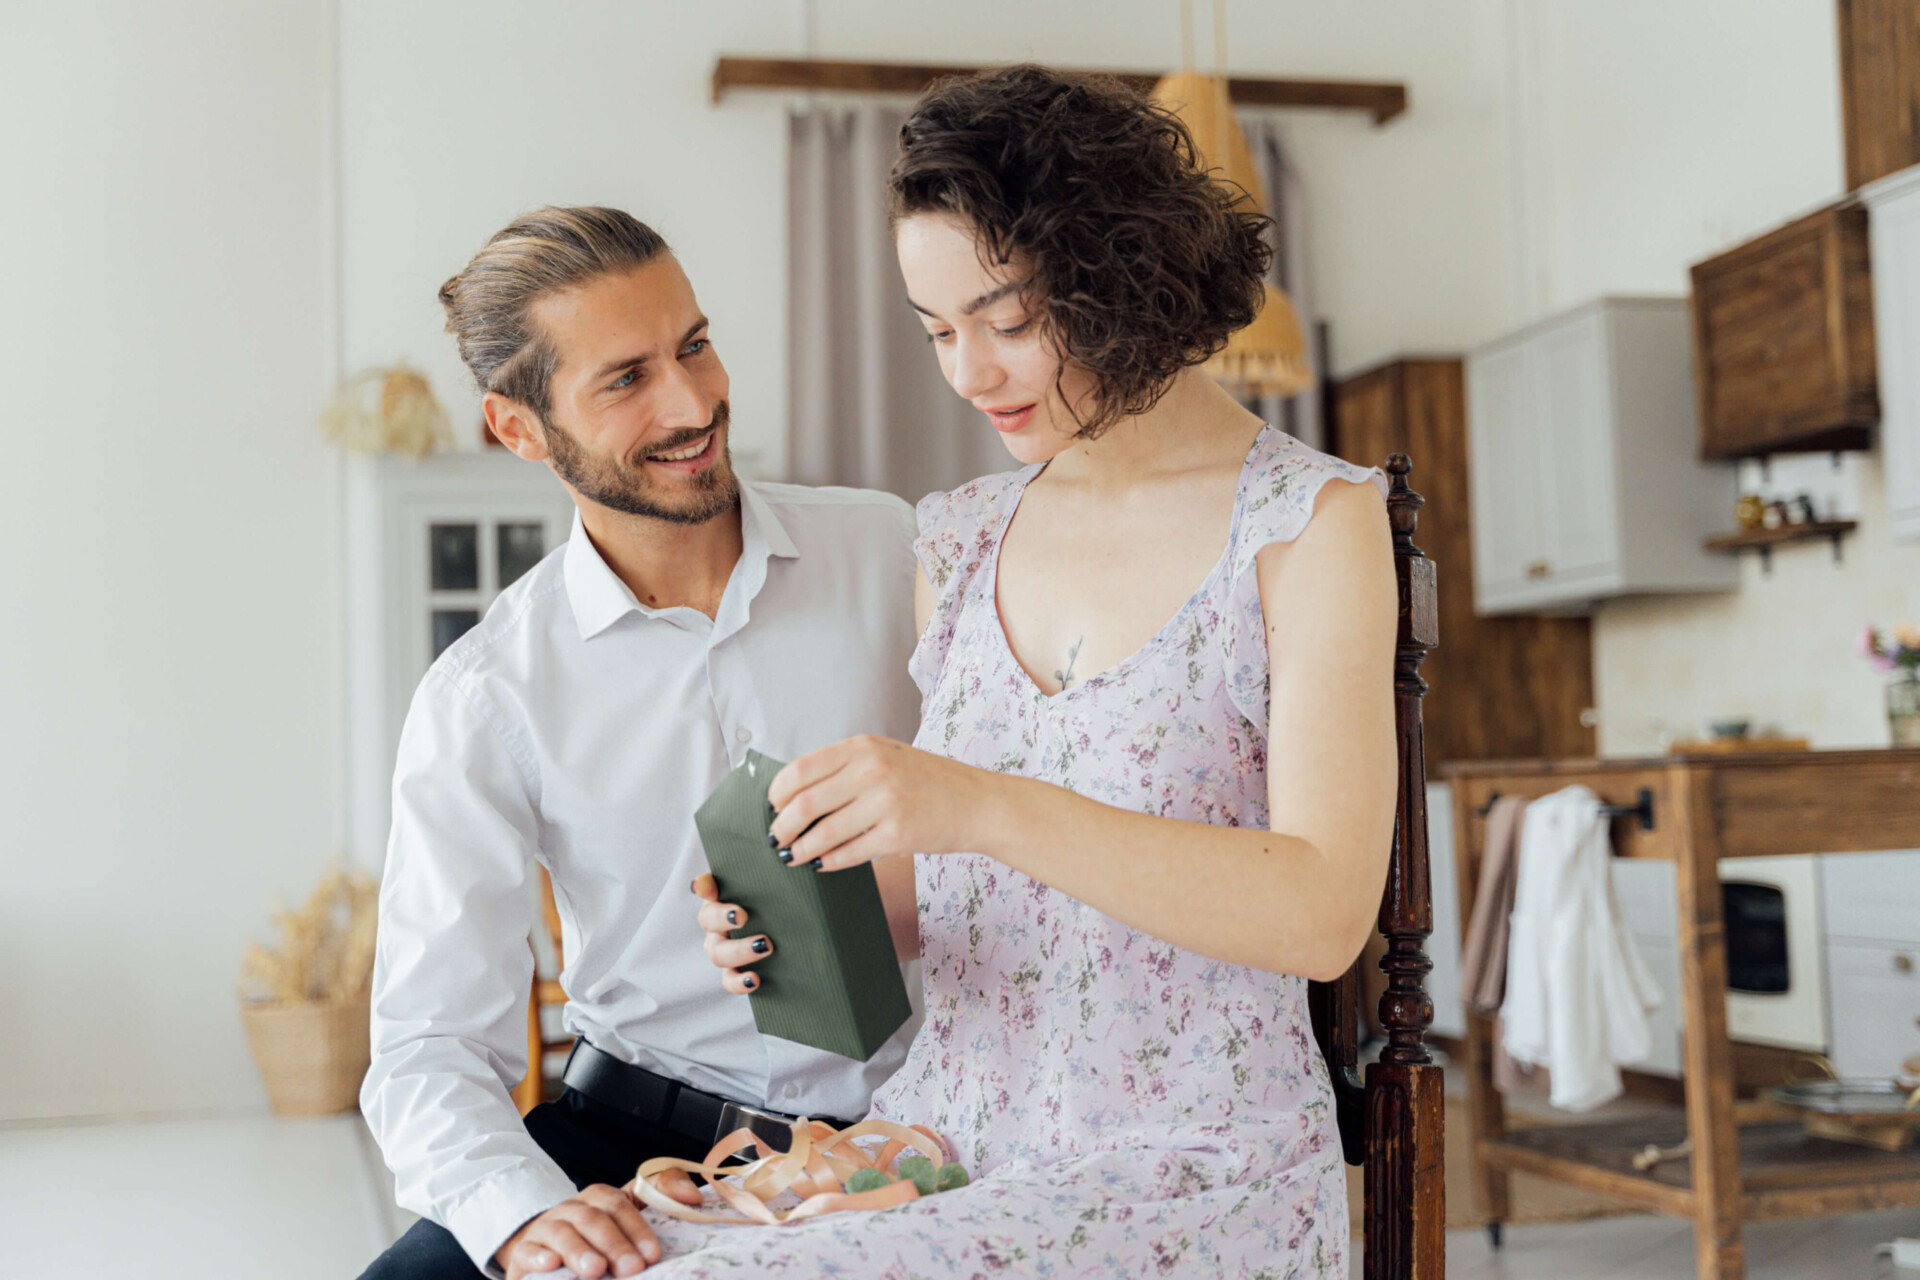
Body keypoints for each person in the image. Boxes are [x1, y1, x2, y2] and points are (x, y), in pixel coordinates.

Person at [666, 66, 1400, 1278]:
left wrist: (979, 802)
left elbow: (1321, 913)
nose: (968, 373)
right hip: (946, 1143)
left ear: (1125, 276)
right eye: (939, 331)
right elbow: (967, 894)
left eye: (1007, 322)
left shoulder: (1308, 524)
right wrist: (806, 908)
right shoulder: (957, 539)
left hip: (1190, 1170)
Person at [357, 206, 923, 1280]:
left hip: (922, 1126)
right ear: (520, 428)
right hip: (638, 1142)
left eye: (695, 345)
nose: (695, 401)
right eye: (626, 378)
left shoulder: (891, 552)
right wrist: (519, 1211)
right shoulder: (486, 694)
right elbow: (429, 1041)